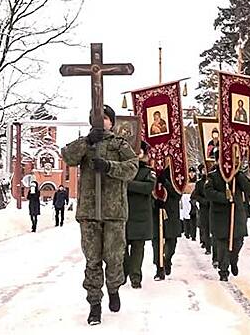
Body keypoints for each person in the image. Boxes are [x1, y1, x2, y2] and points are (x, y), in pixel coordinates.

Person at [61, 104, 138, 326]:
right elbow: (67, 157)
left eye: (105, 118)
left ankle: (114, 288)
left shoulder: (120, 144)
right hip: (89, 212)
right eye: (97, 117)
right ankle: (95, 304)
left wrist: (109, 166)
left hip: (114, 212)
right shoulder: (85, 144)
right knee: (92, 260)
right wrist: (87, 141)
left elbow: (132, 168)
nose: (101, 121)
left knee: (114, 258)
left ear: (112, 122)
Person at [205, 149, 250, 282]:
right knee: (222, 245)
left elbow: (247, 188)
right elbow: (208, 192)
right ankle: (223, 270)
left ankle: (233, 259)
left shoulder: (236, 175)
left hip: (236, 214)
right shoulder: (213, 176)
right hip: (220, 216)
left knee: (238, 241)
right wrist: (223, 197)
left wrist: (238, 173)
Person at [123, 141, 156, 289]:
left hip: (141, 216)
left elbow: (148, 187)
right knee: (121, 248)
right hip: (124, 214)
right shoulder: (125, 170)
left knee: (138, 249)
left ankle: (135, 277)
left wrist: (128, 184)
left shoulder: (148, 171)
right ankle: (123, 274)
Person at [152, 166, 182, 280]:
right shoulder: (153, 168)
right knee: (156, 241)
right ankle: (159, 267)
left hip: (171, 212)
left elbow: (178, 193)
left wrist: (166, 182)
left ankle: (167, 259)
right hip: (156, 210)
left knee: (171, 241)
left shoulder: (176, 170)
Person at [192, 164, 212, 255]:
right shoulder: (199, 183)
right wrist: (203, 201)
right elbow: (196, 195)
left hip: (213, 207)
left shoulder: (212, 180)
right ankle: (208, 247)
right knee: (206, 228)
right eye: (203, 170)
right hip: (204, 209)